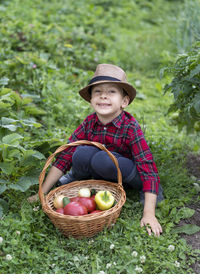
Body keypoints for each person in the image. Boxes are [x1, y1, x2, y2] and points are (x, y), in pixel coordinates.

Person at [30, 63, 163, 236]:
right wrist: (42, 193)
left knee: (102, 159)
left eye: (111, 92)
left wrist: (149, 214)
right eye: (98, 92)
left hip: (128, 173)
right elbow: (64, 157)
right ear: (91, 100)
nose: (103, 96)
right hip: (101, 169)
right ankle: (80, 181)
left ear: (124, 101)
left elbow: (147, 167)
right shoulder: (89, 123)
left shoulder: (130, 127)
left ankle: (148, 194)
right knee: (81, 152)